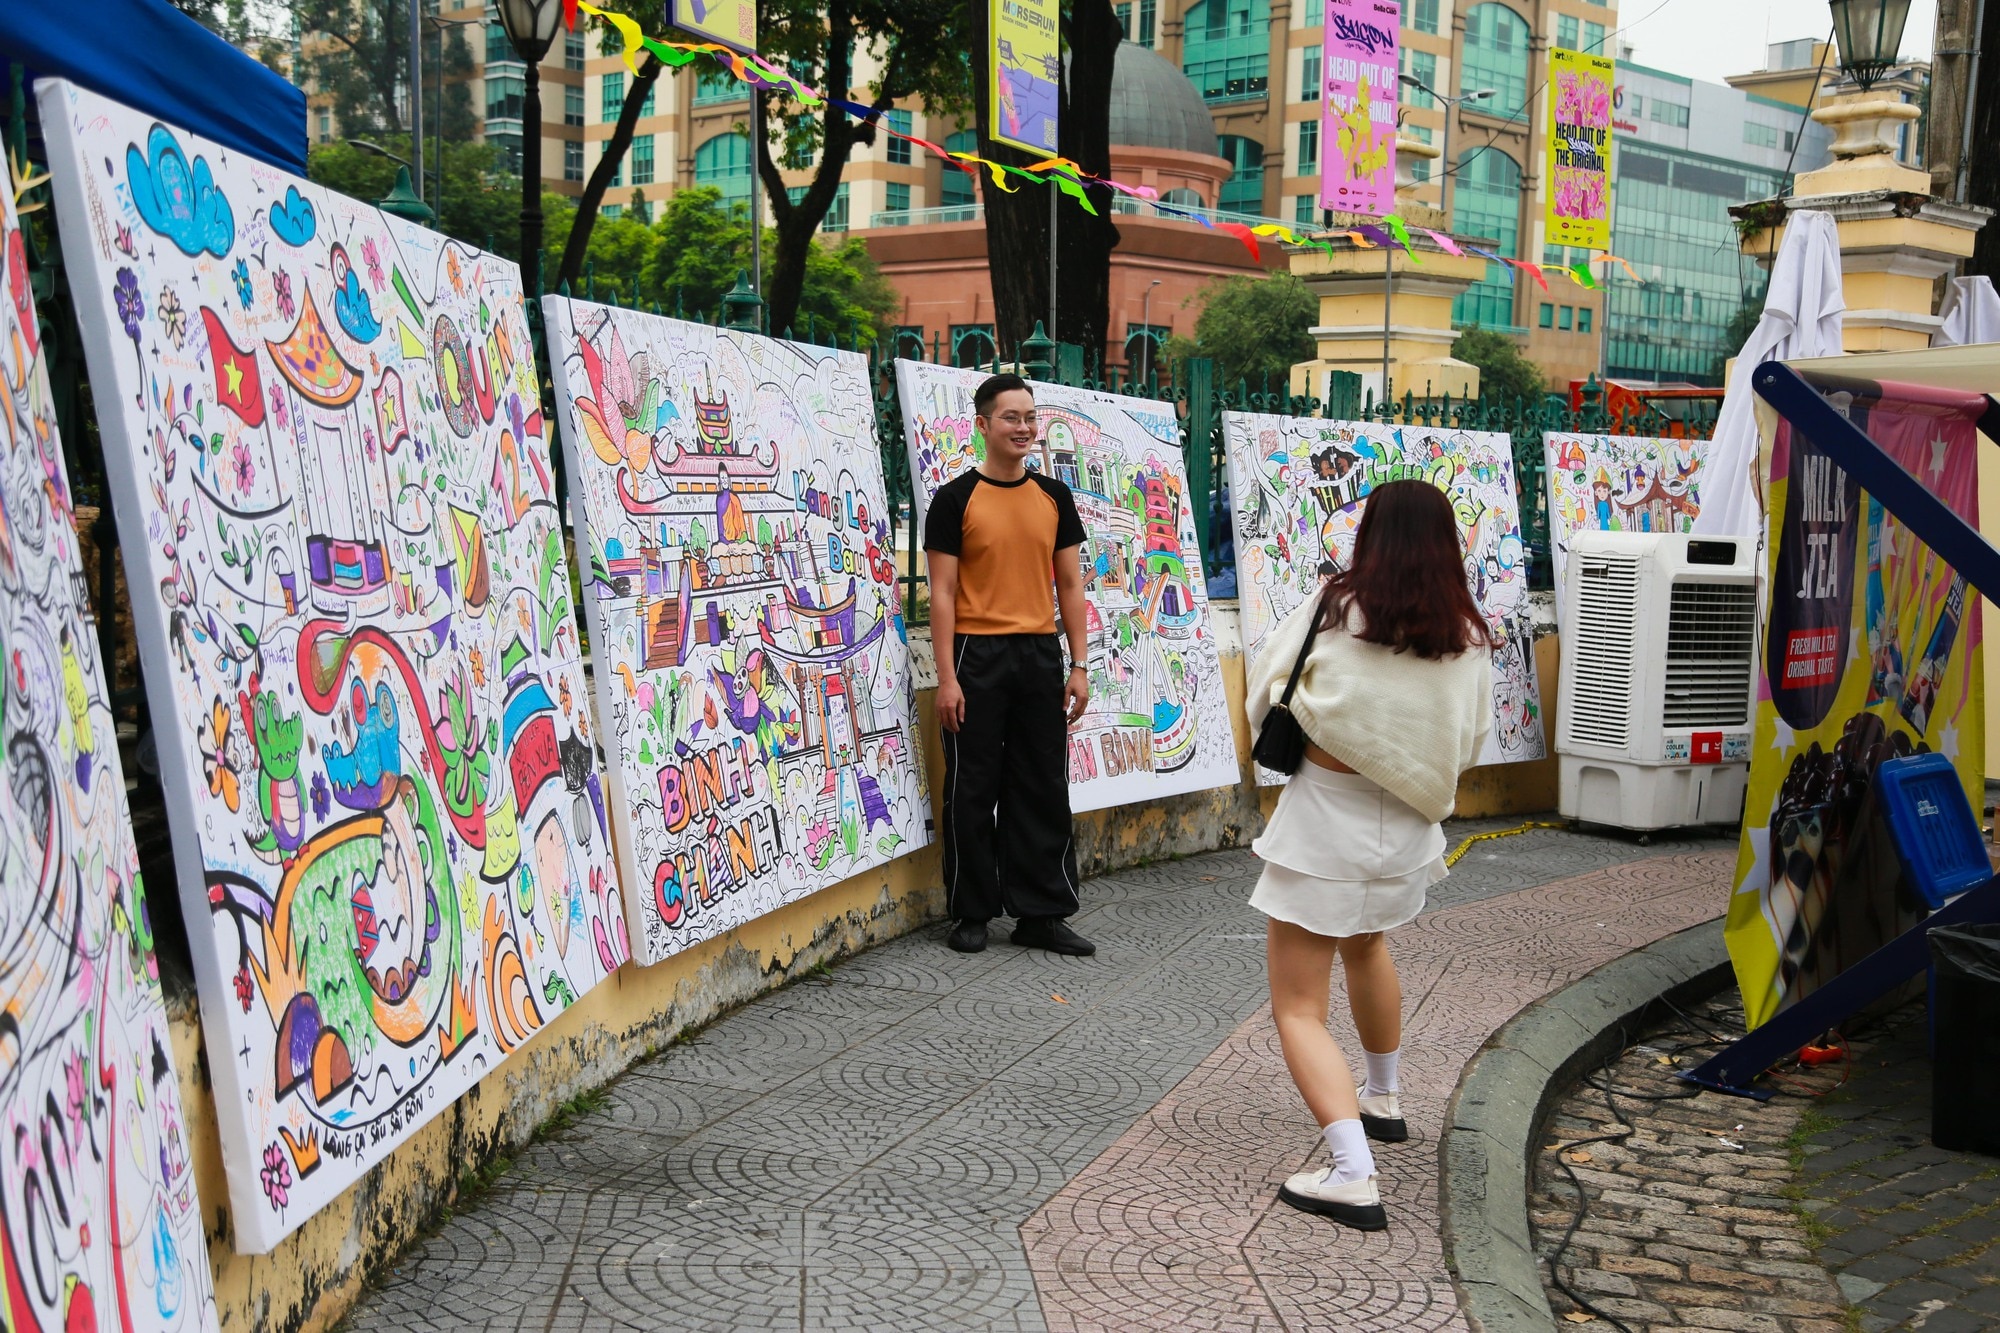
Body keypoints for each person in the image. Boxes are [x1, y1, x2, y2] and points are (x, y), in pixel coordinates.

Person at [1244, 480, 1497, 1231]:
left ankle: (1352, 1169)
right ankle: (1382, 1097)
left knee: (1297, 1005)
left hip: (1326, 818)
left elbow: (1266, 690)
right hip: (1408, 827)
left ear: (1371, 534)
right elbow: (1473, 736)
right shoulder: (1466, 631)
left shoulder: (1335, 607)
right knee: (1367, 945)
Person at [924, 373, 1095, 957]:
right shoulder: (953, 501)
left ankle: (1042, 913)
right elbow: (941, 594)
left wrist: (1079, 665)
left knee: (1042, 784)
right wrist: (947, 679)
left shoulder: (1054, 497)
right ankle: (971, 911)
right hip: (977, 653)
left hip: (1040, 653)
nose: (1023, 428)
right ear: (983, 426)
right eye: (1010, 418)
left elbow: (1070, 583)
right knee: (972, 787)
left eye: (1030, 417)